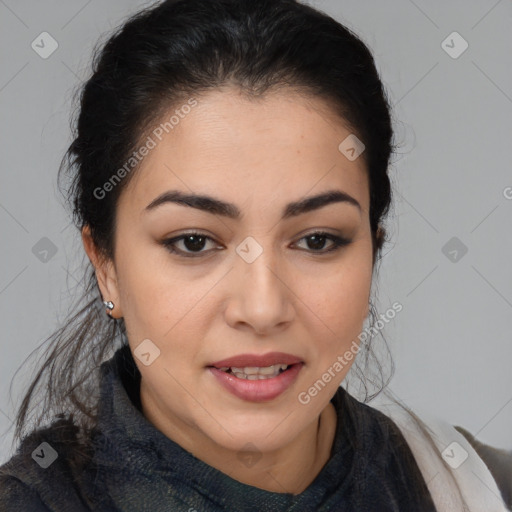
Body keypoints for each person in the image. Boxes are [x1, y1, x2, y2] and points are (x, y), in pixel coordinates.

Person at [0, 0, 510, 510]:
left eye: (317, 240)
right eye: (194, 242)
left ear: (373, 251)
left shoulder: (483, 492)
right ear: (105, 264)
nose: (263, 308)